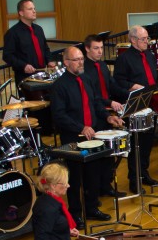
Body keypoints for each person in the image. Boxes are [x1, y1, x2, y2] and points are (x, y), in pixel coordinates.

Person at [51, 46, 124, 225]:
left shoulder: (87, 79)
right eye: (76, 60)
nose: (81, 62)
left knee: (93, 174)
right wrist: (81, 127)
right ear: (67, 63)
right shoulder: (59, 86)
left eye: (82, 59)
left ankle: (91, 208)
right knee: (75, 179)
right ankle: (75, 212)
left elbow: (96, 103)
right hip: (73, 138)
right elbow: (59, 115)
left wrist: (108, 116)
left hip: (92, 135)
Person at [113, 25, 158, 192]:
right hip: (135, 106)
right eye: (143, 39)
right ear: (133, 40)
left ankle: (144, 173)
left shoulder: (149, 55)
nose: (147, 41)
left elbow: (154, 74)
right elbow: (118, 82)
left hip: (150, 102)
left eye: (147, 38)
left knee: (148, 142)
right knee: (136, 144)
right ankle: (134, 179)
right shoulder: (124, 59)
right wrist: (133, 86)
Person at [83, 34, 127, 200]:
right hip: (95, 113)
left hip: (106, 111)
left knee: (109, 152)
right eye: (96, 48)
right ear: (87, 49)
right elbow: (92, 95)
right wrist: (110, 101)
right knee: (98, 153)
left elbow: (112, 85)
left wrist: (127, 93)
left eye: (101, 48)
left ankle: (106, 184)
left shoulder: (102, 65)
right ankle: (94, 189)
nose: (100, 51)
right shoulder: (85, 69)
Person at [3, 0, 54, 85]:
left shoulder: (38, 29)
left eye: (34, 9)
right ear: (21, 13)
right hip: (25, 77)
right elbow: (7, 55)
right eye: (30, 9)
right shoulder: (12, 33)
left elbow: (45, 48)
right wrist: (23, 65)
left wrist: (49, 61)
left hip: (42, 74)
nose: (34, 11)